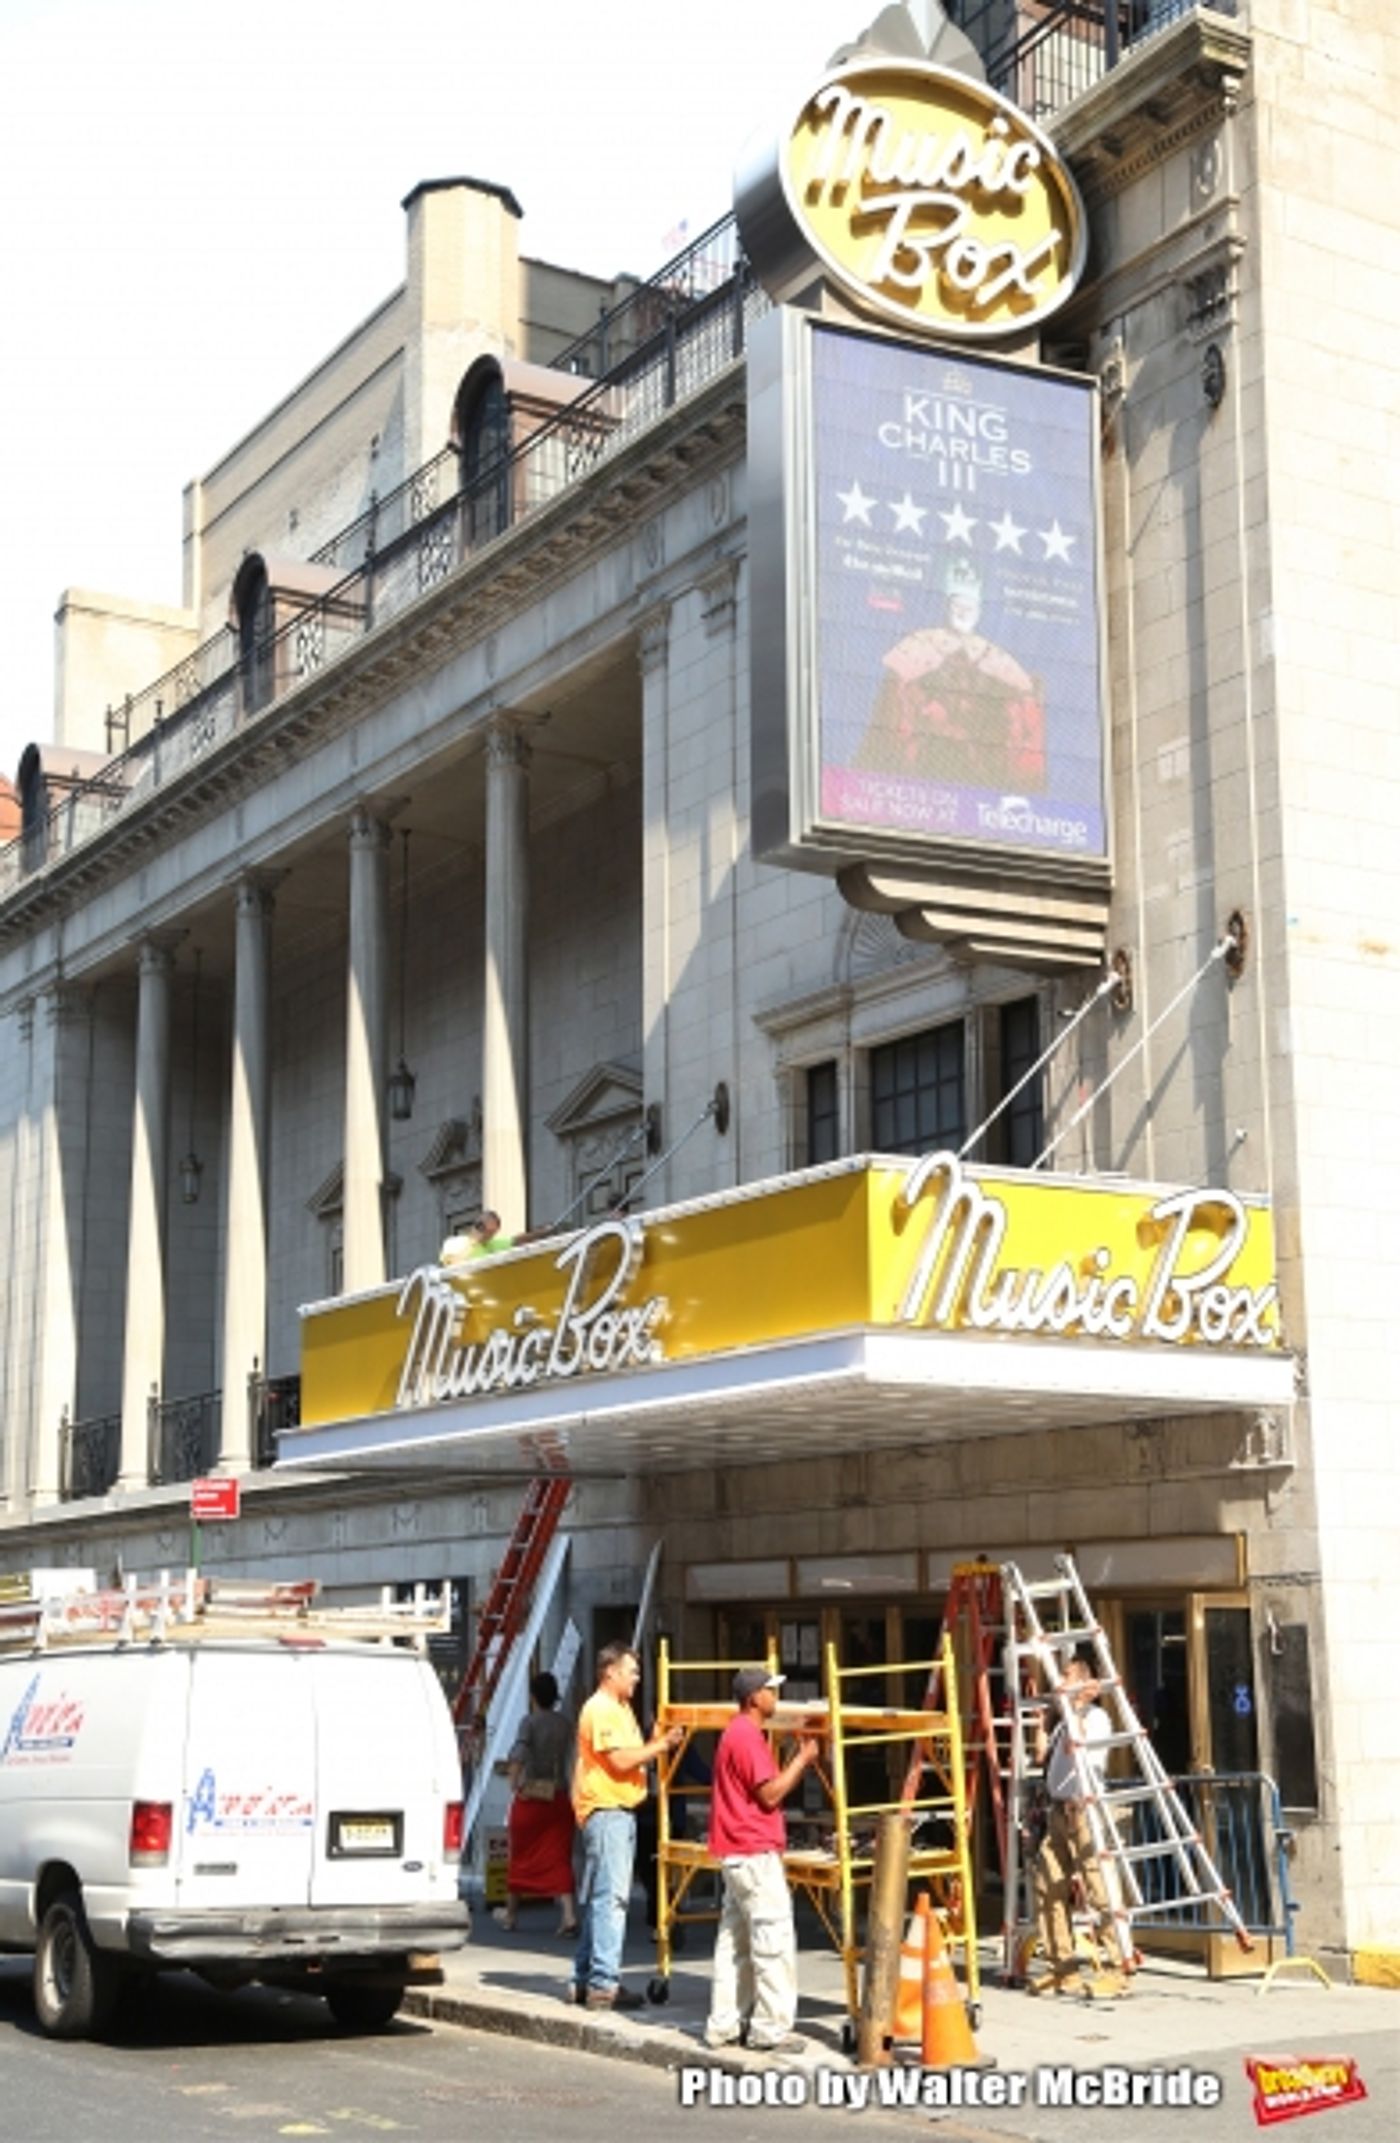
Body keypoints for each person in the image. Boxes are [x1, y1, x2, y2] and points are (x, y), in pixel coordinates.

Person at [704, 1667, 820, 2055]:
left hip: (736, 1852)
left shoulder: (736, 1732)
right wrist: (802, 1760)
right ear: (754, 1697)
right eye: (771, 1691)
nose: (776, 1697)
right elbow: (770, 1795)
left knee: (734, 1944)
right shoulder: (747, 1736)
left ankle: (724, 2024)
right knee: (772, 1940)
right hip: (754, 1853)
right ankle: (769, 2028)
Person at [855, 559, 1046, 792]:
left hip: (981, 779)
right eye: (957, 604)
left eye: (970, 607)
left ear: (979, 612)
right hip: (923, 767)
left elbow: (1024, 724)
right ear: (946, 606)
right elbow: (891, 714)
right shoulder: (917, 645)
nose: (963, 612)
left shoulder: (996, 658)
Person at [568, 1642, 682, 2011]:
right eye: (630, 1670)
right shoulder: (601, 1708)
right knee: (612, 1900)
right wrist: (660, 1745)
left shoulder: (618, 1708)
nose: (636, 1677)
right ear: (610, 1672)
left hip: (614, 1809)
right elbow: (619, 1761)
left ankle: (586, 1979)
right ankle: (603, 1983)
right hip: (608, 1809)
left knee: (604, 1898)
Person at [1029, 1652, 1124, 1998]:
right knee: (1049, 1886)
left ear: (1084, 1685)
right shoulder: (1062, 1722)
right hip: (1058, 1810)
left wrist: (1070, 1705)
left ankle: (1116, 1967)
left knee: (1099, 1891)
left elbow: (1082, 1743)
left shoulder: (1095, 1717)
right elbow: (1041, 1756)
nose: (1059, 1684)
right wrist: (1043, 1722)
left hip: (1084, 1812)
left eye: (1067, 1677)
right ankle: (1062, 1968)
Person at [493, 1671, 577, 1937]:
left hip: (532, 1798)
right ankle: (568, 1914)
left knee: (520, 1856)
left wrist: (514, 1782)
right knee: (559, 1857)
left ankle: (510, 1914)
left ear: (533, 1697)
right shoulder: (566, 1724)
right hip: (559, 1797)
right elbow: (573, 1761)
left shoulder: (528, 1723)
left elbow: (518, 1753)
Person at [440, 1208, 514, 1268]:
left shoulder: (491, 1244)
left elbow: (515, 1241)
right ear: (481, 1227)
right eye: (491, 1233)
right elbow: (450, 1263)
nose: (491, 1237)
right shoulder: (455, 1243)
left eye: (493, 1234)